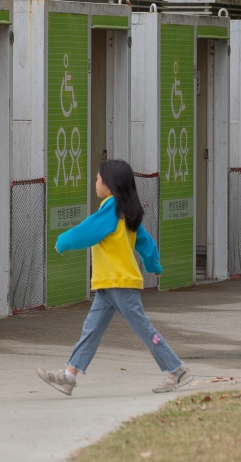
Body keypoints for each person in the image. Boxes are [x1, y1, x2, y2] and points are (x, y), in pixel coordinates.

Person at [36, 159, 194, 396]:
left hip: (118, 282)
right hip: (110, 284)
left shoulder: (110, 208)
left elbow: (88, 230)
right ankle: (69, 376)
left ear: (109, 184)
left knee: (142, 327)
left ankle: (176, 369)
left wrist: (63, 241)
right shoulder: (126, 211)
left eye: (98, 179)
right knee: (91, 329)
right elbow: (145, 242)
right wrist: (154, 264)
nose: (96, 183)